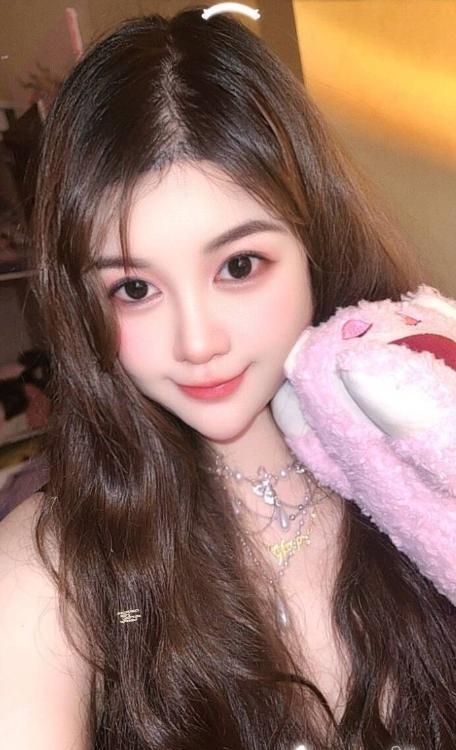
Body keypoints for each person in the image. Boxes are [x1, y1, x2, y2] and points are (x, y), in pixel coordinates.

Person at [0, 6, 454, 749]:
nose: (198, 341)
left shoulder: (425, 456)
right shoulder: (58, 567)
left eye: (239, 266)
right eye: (134, 289)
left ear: (313, 242)